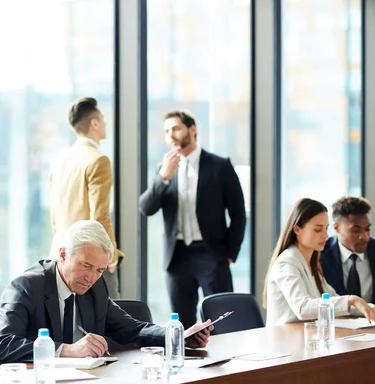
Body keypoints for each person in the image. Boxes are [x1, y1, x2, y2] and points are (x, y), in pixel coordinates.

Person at [0, 220, 213, 367]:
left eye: (100, 270)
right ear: (62, 255)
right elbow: (3, 345)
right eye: (86, 266)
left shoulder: (95, 288)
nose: (91, 277)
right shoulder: (26, 286)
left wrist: (177, 338)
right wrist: (69, 350)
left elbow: (132, 328)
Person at [139, 109, 246, 329]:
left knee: (222, 321)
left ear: (192, 129)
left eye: (176, 128)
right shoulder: (163, 170)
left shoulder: (220, 166)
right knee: (183, 326)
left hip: (212, 255)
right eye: (167, 131)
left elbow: (238, 212)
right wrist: (163, 178)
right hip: (177, 257)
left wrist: (230, 254)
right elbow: (146, 208)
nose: (171, 135)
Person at [48, 97, 124, 298]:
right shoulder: (98, 160)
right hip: (90, 255)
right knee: (108, 323)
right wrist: (112, 257)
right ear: (94, 123)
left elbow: (55, 217)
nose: (106, 124)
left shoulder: (60, 161)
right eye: (103, 119)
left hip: (61, 255)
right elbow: (99, 217)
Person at [263, 198, 375, 326]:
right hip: (286, 341)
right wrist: (352, 300)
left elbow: (332, 299)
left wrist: (369, 308)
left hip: (308, 338)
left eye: (326, 229)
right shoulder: (287, 263)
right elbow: (302, 308)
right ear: (297, 230)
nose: (325, 236)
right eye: (318, 230)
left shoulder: (311, 262)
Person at [321, 196, 375, 303]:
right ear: (337, 228)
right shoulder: (321, 254)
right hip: (335, 318)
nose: (364, 237)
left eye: (367, 229)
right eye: (356, 231)